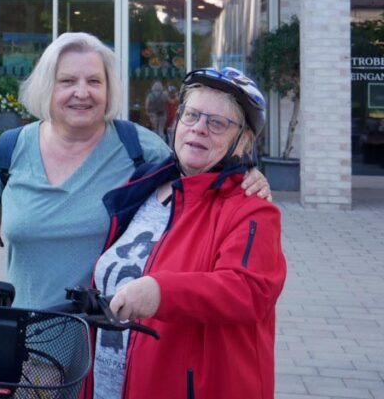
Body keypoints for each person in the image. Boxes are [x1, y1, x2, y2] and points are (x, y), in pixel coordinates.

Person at [0, 32, 270, 311]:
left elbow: (202, 172)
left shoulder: (138, 147)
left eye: (94, 81)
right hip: (24, 334)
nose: (81, 92)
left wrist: (245, 174)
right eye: (67, 81)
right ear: (48, 86)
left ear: (109, 88)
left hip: (107, 341)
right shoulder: (11, 149)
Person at [92, 68, 286, 399]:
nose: (199, 128)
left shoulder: (252, 209)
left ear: (244, 141)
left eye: (217, 123)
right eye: (192, 115)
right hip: (108, 383)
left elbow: (249, 290)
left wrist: (160, 291)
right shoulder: (144, 186)